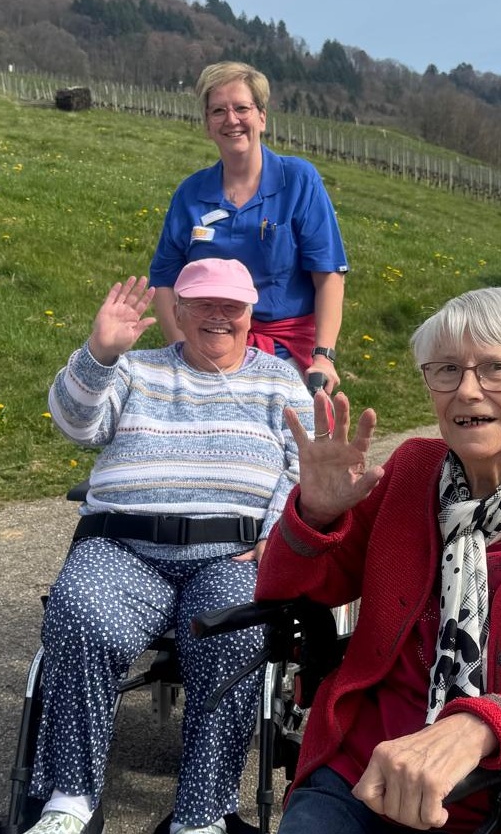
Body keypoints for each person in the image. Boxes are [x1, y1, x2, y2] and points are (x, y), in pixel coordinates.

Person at [256, 286, 501, 833]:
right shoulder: (410, 471)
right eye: (446, 370)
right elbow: (291, 593)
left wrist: (478, 727)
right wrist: (315, 517)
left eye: (495, 369)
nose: (467, 391)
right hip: (363, 774)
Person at [26, 258, 315, 834]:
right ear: (177, 311)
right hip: (124, 545)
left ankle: (202, 816)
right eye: (203, 304)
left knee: (235, 633)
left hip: (231, 550)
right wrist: (99, 354)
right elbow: (77, 425)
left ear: (250, 315)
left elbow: (302, 466)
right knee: (81, 614)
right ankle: (68, 801)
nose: (217, 316)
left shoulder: (280, 380)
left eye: (230, 306)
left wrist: (277, 532)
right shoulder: (133, 369)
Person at [149, 60, 349, 392]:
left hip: (284, 353)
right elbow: (164, 281)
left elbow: (328, 274)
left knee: (302, 441)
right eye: (218, 111)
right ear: (207, 124)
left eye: (242, 108)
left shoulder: (298, 180)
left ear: (262, 116)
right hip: (209, 351)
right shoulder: (190, 194)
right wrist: (183, 351)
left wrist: (323, 356)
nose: (231, 120)